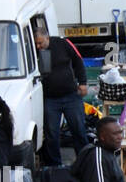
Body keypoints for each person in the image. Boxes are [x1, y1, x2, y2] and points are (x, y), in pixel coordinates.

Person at [35, 29, 88, 168]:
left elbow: (78, 61)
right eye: (36, 44)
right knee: (52, 134)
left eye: (40, 43)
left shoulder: (63, 43)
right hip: (50, 98)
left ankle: (85, 162)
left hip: (71, 95)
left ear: (47, 38)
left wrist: (83, 82)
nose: (38, 47)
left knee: (79, 130)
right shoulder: (35, 51)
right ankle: (54, 166)